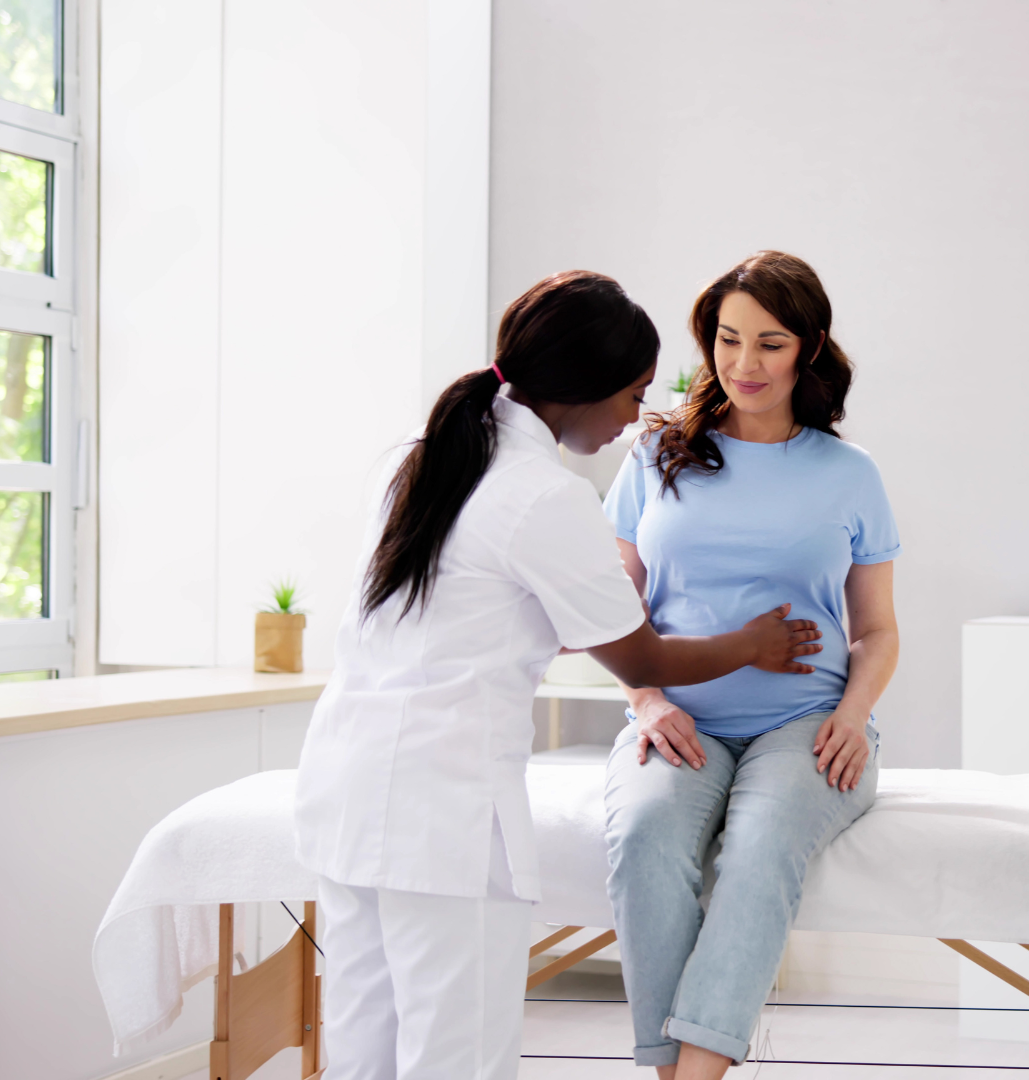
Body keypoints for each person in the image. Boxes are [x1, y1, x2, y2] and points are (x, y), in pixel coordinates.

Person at [293, 270, 826, 1080]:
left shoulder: (422, 458)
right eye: (632, 394)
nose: (633, 420)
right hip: (441, 810)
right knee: (457, 1057)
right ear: (578, 391)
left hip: (348, 786)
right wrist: (750, 644)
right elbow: (640, 656)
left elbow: (476, 608)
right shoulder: (544, 496)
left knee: (364, 1045)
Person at [600, 251, 901, 1079]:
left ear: (807, 347)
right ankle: (671, 1066)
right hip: (678, 716)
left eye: (769, 343)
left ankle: (692, 1077)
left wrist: (851, 716)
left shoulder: (850, 472)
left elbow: (877, 630)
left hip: (807, 719)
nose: (743, 364)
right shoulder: (653, 454)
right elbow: (613, 609)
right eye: (727, 340)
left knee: (763, 844)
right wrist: (647, 700)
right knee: (644, 835)